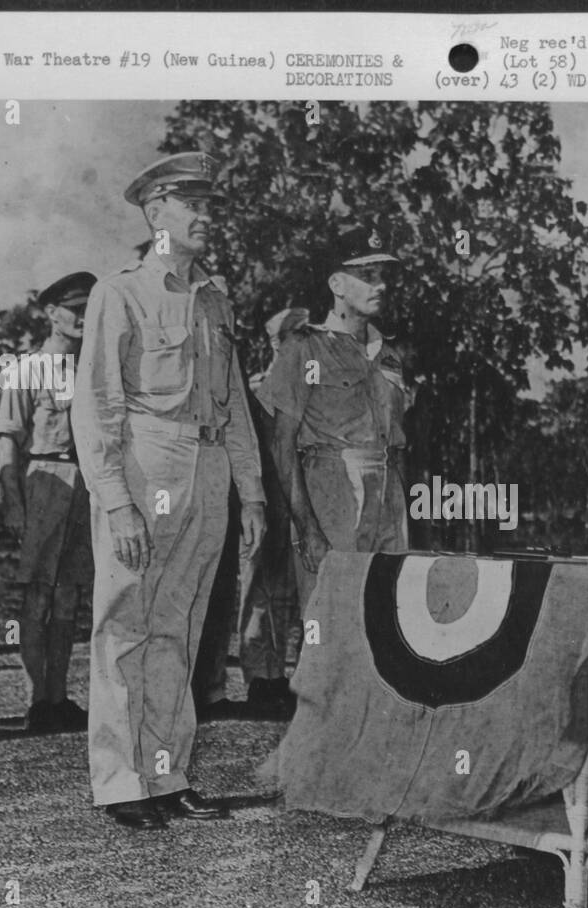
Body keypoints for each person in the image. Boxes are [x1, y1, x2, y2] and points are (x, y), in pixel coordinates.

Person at [71, 151, 267, 830]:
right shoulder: (118, 293)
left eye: (211, 205)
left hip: (207, 467)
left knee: (178, 628)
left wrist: (254, 493)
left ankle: (166, 772)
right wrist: (115, 499)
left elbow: (235, 402)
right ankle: (120, 780)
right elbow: (95, 403)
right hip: (145, 461)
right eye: (193, 205)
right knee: (125, 624)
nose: (207, 217)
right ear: (156, 213)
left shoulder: (215, 300)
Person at [257, 220, 414, 611]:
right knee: (329, 618)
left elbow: (397, 441)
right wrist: (307, 527)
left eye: (382, 275)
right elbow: (282, 443)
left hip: (387, 492)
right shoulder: (304, 348)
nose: (380, 285)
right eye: (366, 275)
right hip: (331, 487)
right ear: (337, 285)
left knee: (383, 615)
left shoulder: (389, 352)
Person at [193, 306, 308, 720]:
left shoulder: (305, 386)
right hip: (257, 497)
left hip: (291, 497)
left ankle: (277, 674)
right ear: (277, 340)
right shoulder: (257, 387)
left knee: (283, 591)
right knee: (254, 587)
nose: (302, 340)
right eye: (295, 334)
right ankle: (258, 674)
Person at [0, 272, 96, 733]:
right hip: (45, 480)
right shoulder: (27, 369)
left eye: (88, 307)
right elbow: (7, 438)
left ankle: (60, 695)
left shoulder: (97, 367)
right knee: (38, 596)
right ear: (51, 312)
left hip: (89, 484)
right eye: (73, 308)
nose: (82, 317)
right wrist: (12, 501)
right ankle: (39, 699)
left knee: (71, 597)